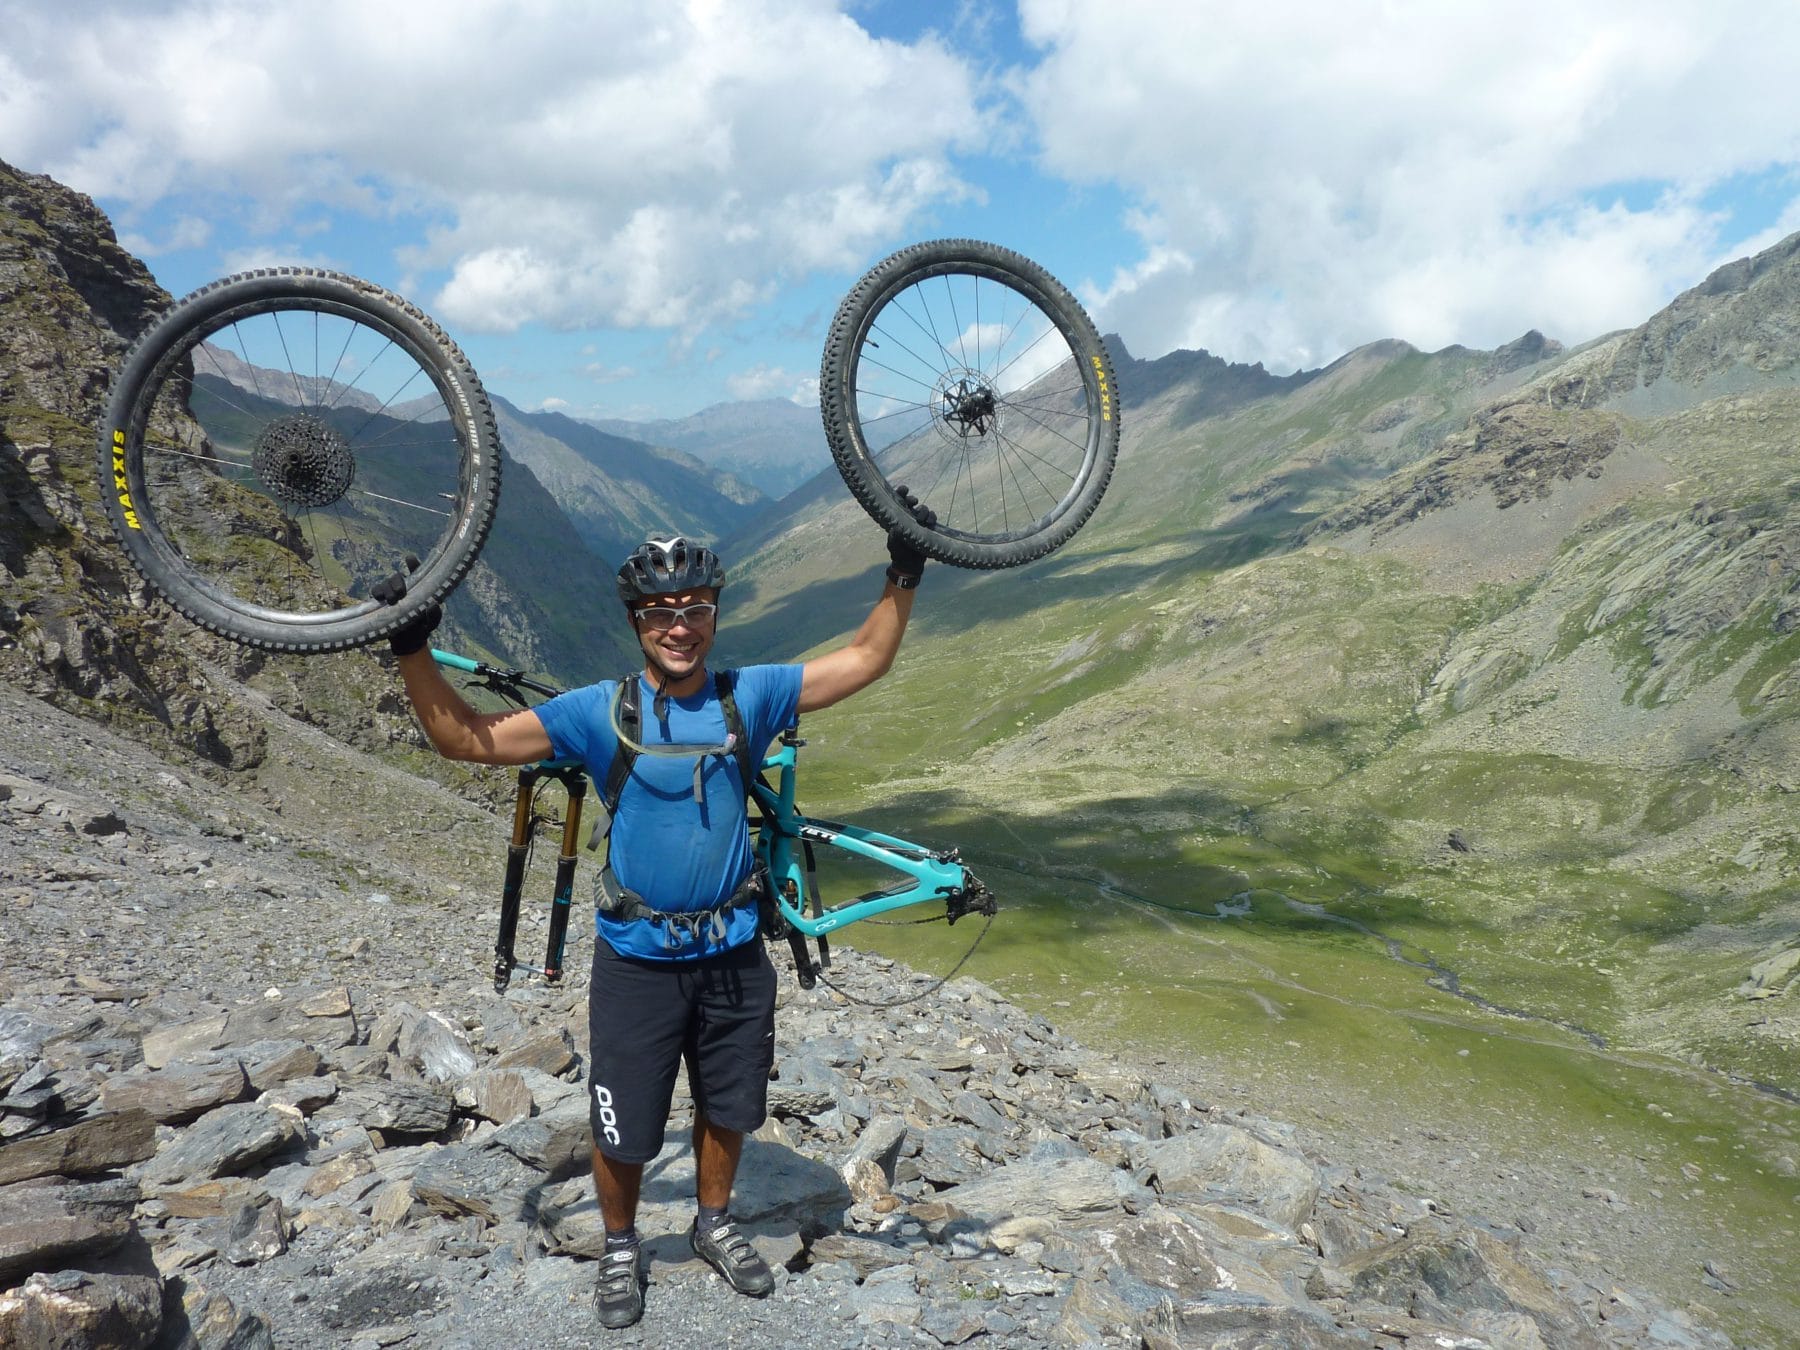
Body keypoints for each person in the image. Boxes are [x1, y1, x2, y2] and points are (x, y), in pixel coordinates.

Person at [382, 495, 934, 1330]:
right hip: (637, 960)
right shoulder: (599, 711)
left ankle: (714, 1224)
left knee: (729, 1107)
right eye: (661, 612)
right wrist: (412, 648)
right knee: (626, 1121)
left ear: (713, 614)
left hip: (735, 952)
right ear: (637, 619)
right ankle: (619, 1244)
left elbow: (864, 660)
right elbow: (467, 739)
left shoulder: (751, 696)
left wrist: (905, 568)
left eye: (695, 609)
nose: (680, 626)